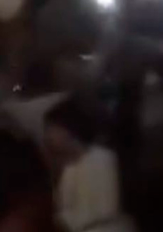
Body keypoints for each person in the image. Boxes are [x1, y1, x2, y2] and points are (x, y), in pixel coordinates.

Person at [43, 99, 133, 232]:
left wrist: (63, 221)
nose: (48, 137)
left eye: (52, 130)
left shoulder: (103, 158)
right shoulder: (67, 168)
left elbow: (105, 210)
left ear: (67, 130)